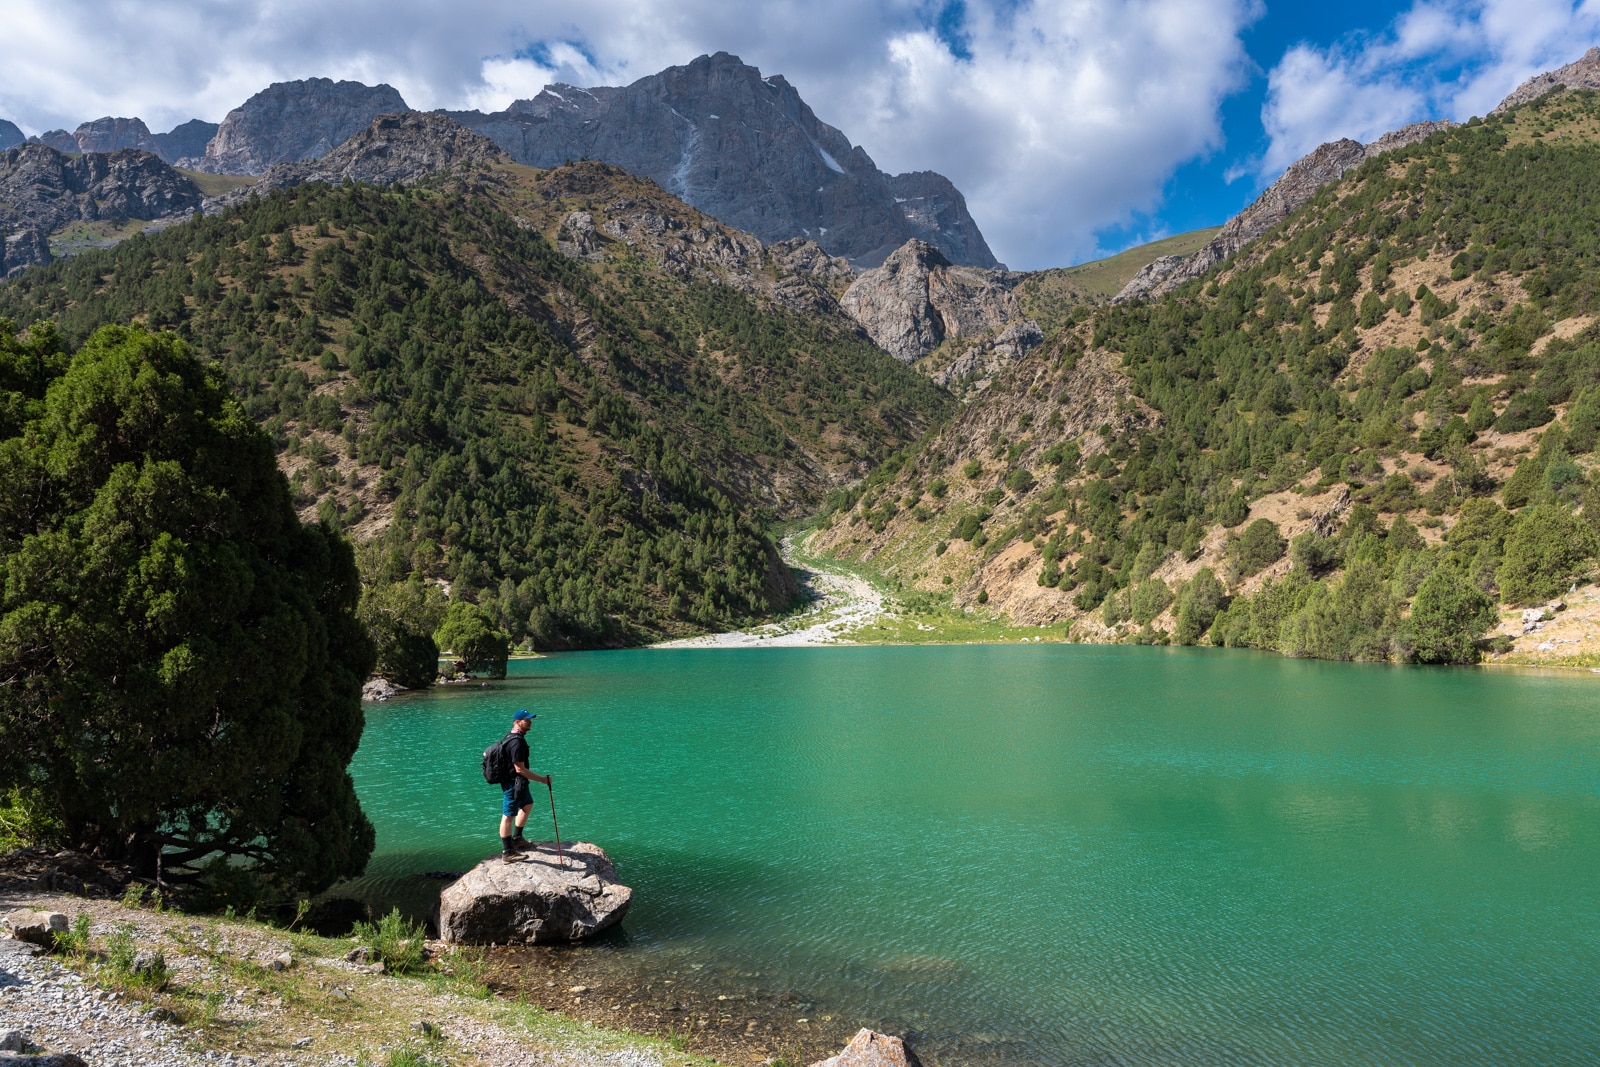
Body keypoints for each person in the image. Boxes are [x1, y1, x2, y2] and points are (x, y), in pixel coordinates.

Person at [498, 710, 551, 861]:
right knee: (508, 816)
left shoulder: (513, 736)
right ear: (517, 721)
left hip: (518, 782)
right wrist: (542, 779)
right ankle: (507, 853)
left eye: (530, 720)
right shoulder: (516, 742)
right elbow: (519, 769)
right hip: (512, 783)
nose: (530, 722)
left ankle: (517, 838)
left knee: (527, 804)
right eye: (526, 720)